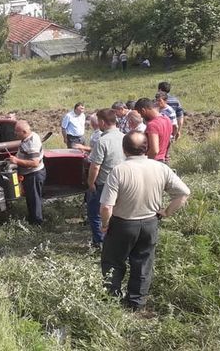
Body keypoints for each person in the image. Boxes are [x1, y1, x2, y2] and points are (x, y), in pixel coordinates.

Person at [100, 131, 190, 311]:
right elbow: (183, 193)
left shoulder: (119, 170)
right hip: (150, 222)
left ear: (124, 149)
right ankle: (136, 303)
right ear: (146, 148)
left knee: (113, 262)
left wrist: (105, 225)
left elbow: (106, 206)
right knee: (142, 263)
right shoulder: (160, 167)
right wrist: (166, 212)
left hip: (123, 223)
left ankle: (111, 299)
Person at [86, 109, 125, 248]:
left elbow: (95, 166)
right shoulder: (124, 137)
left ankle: (100, 242)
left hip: (105, 183)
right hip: (123, 181)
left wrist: (91, 183)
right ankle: (117, 241)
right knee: (117, 213)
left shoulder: (102, 141)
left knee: (95, 213)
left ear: (102, 122)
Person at [8, 120, 46, 226]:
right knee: (31, 199)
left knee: (34, 200)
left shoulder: (32, 143)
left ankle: (37, 224)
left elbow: (34, 163)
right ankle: (33, 220)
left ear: (24, 132)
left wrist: (17, 161)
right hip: (31, 174)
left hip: (34, 174)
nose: (15, 133)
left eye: (17, 132)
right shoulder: (28, 137)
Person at [135, 98, 172, 163]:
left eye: (140, 113)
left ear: (143, 110)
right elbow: (169, 141)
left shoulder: (152, 125)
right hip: (163, 161)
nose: (141, 116)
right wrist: (166, 156)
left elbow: (154, 150)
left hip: (154, 162)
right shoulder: (167, 119)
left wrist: (144, 162)